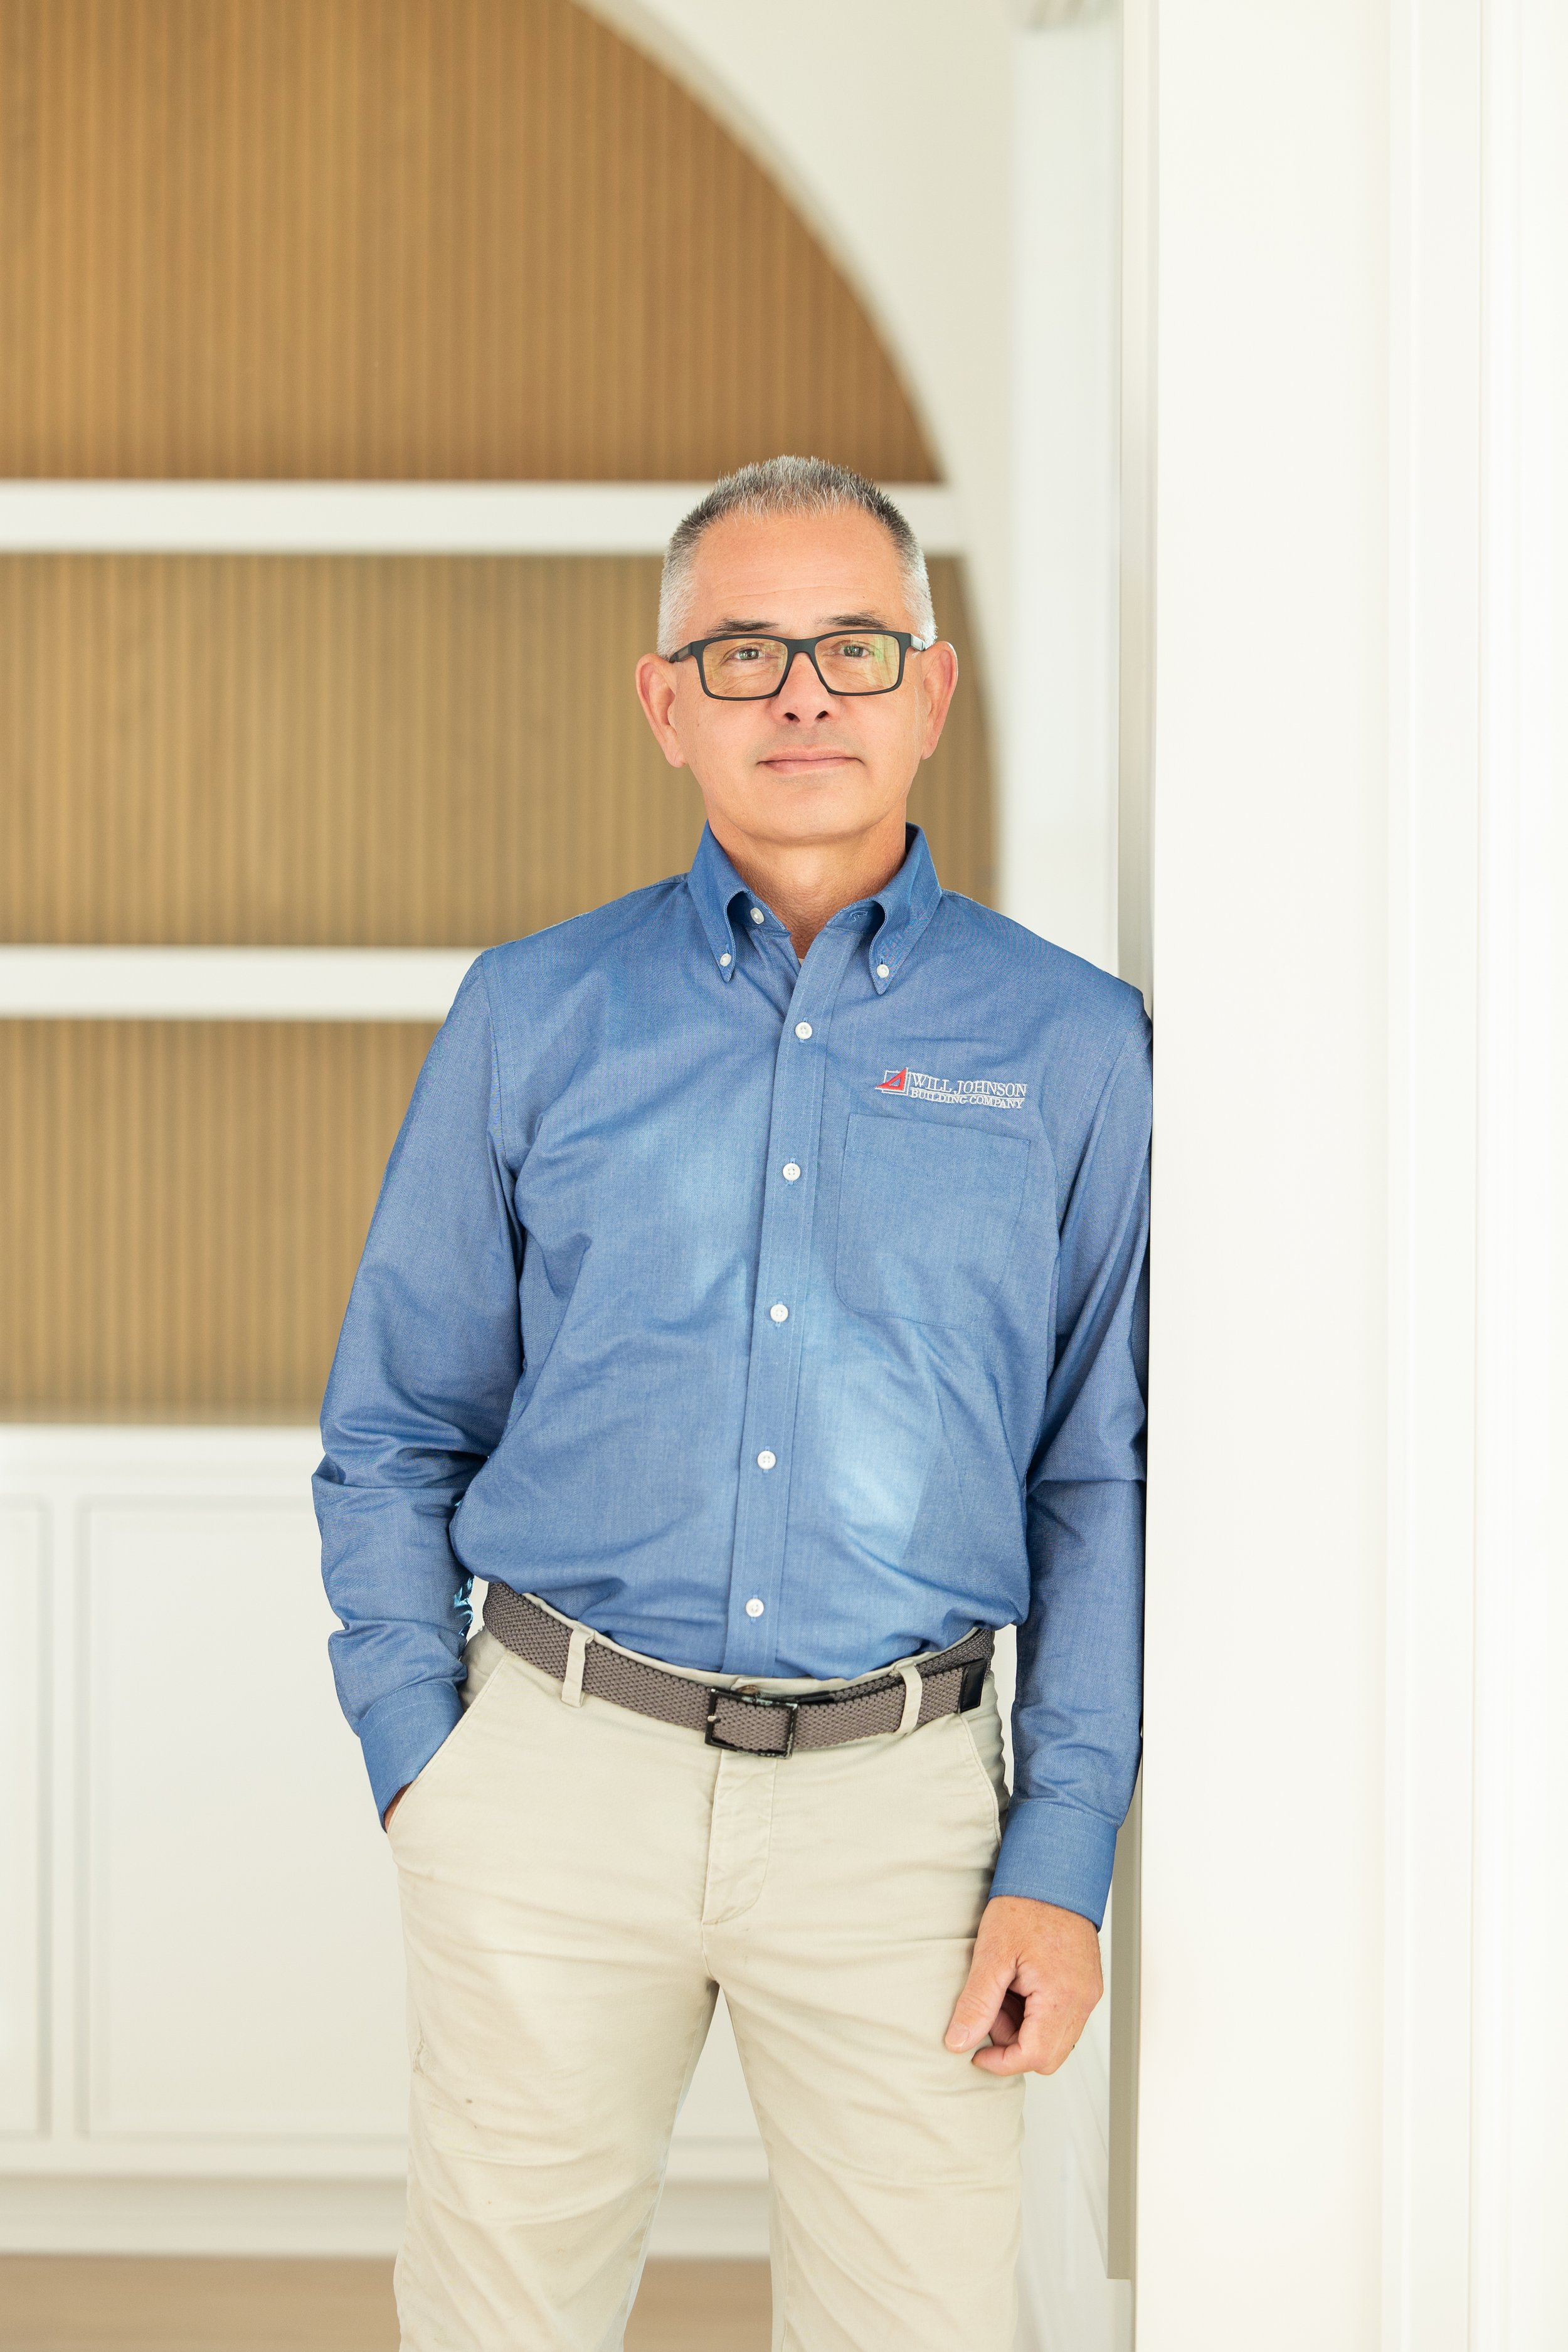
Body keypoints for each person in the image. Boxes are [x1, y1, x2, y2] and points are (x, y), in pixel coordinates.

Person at [316, 455, 1150, 2352]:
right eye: (745, 649)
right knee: (497, 2323)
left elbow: (1093, 1471)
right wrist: (417, 1757)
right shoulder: (531, 1014)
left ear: (931, 690)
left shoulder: (1075, 1045)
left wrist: (1059, 1859)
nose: (802, 695)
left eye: (855, 648)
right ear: (664, 699)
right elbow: (396, 1419)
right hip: (545, 1777)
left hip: (907, 1821)